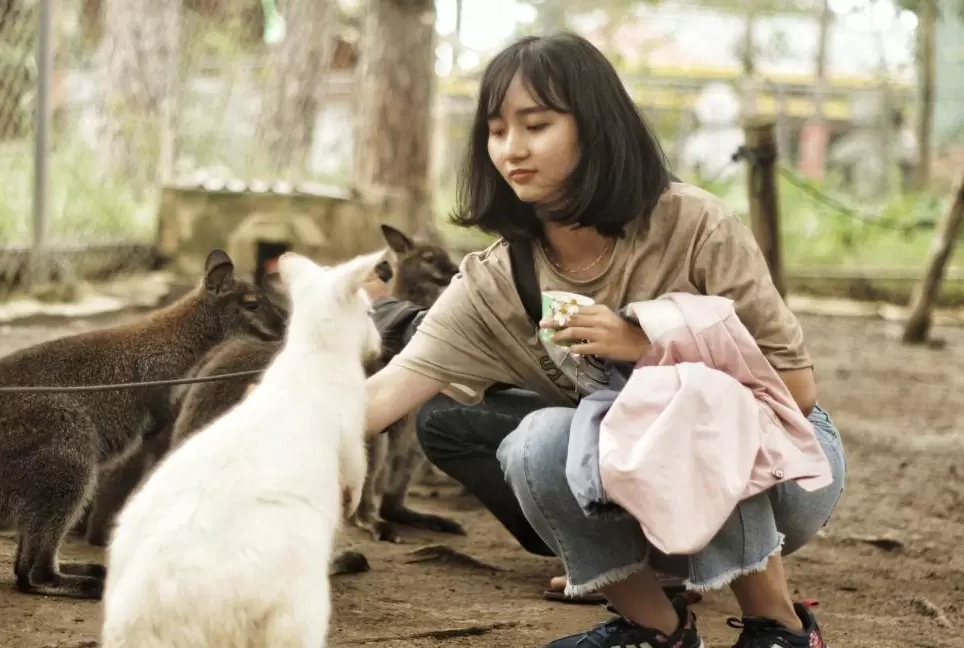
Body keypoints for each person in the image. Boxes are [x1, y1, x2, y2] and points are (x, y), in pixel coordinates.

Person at [362, 32, 847, 648]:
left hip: (785, 473)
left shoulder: (695, 226)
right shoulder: (494, 279)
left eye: (535, 125)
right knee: (535, 445)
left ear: (595, 127)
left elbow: (797, 390)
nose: (512, 149)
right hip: (630, 468)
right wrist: (241, 430)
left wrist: (648, 345)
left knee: (690, 396)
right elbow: (382, 397)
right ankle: (656, 630)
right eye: (495, 130)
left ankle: (777, 628)